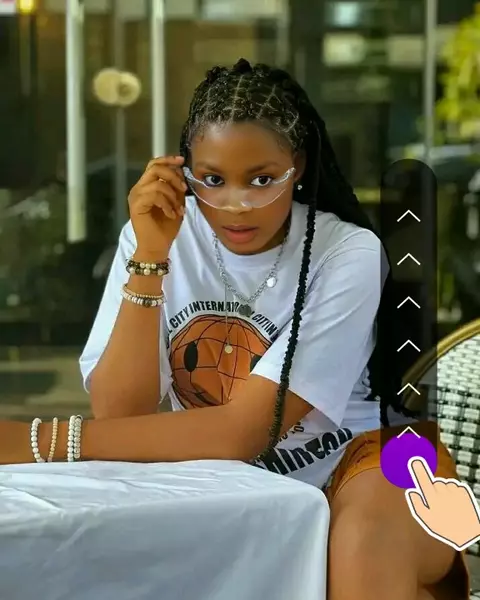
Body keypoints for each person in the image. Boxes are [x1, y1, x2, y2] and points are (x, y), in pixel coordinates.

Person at [0, 59, 468, 599]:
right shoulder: (156, 233)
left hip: (375, 457)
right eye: (213, 180)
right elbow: (121, 414)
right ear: (185, 171)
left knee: (361, 546)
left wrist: (38, 440)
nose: (236, 205)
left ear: (298, 166)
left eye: (262, 180)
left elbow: (245, 431)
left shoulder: (347, 251)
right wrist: (151, 256)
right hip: (227, 478)